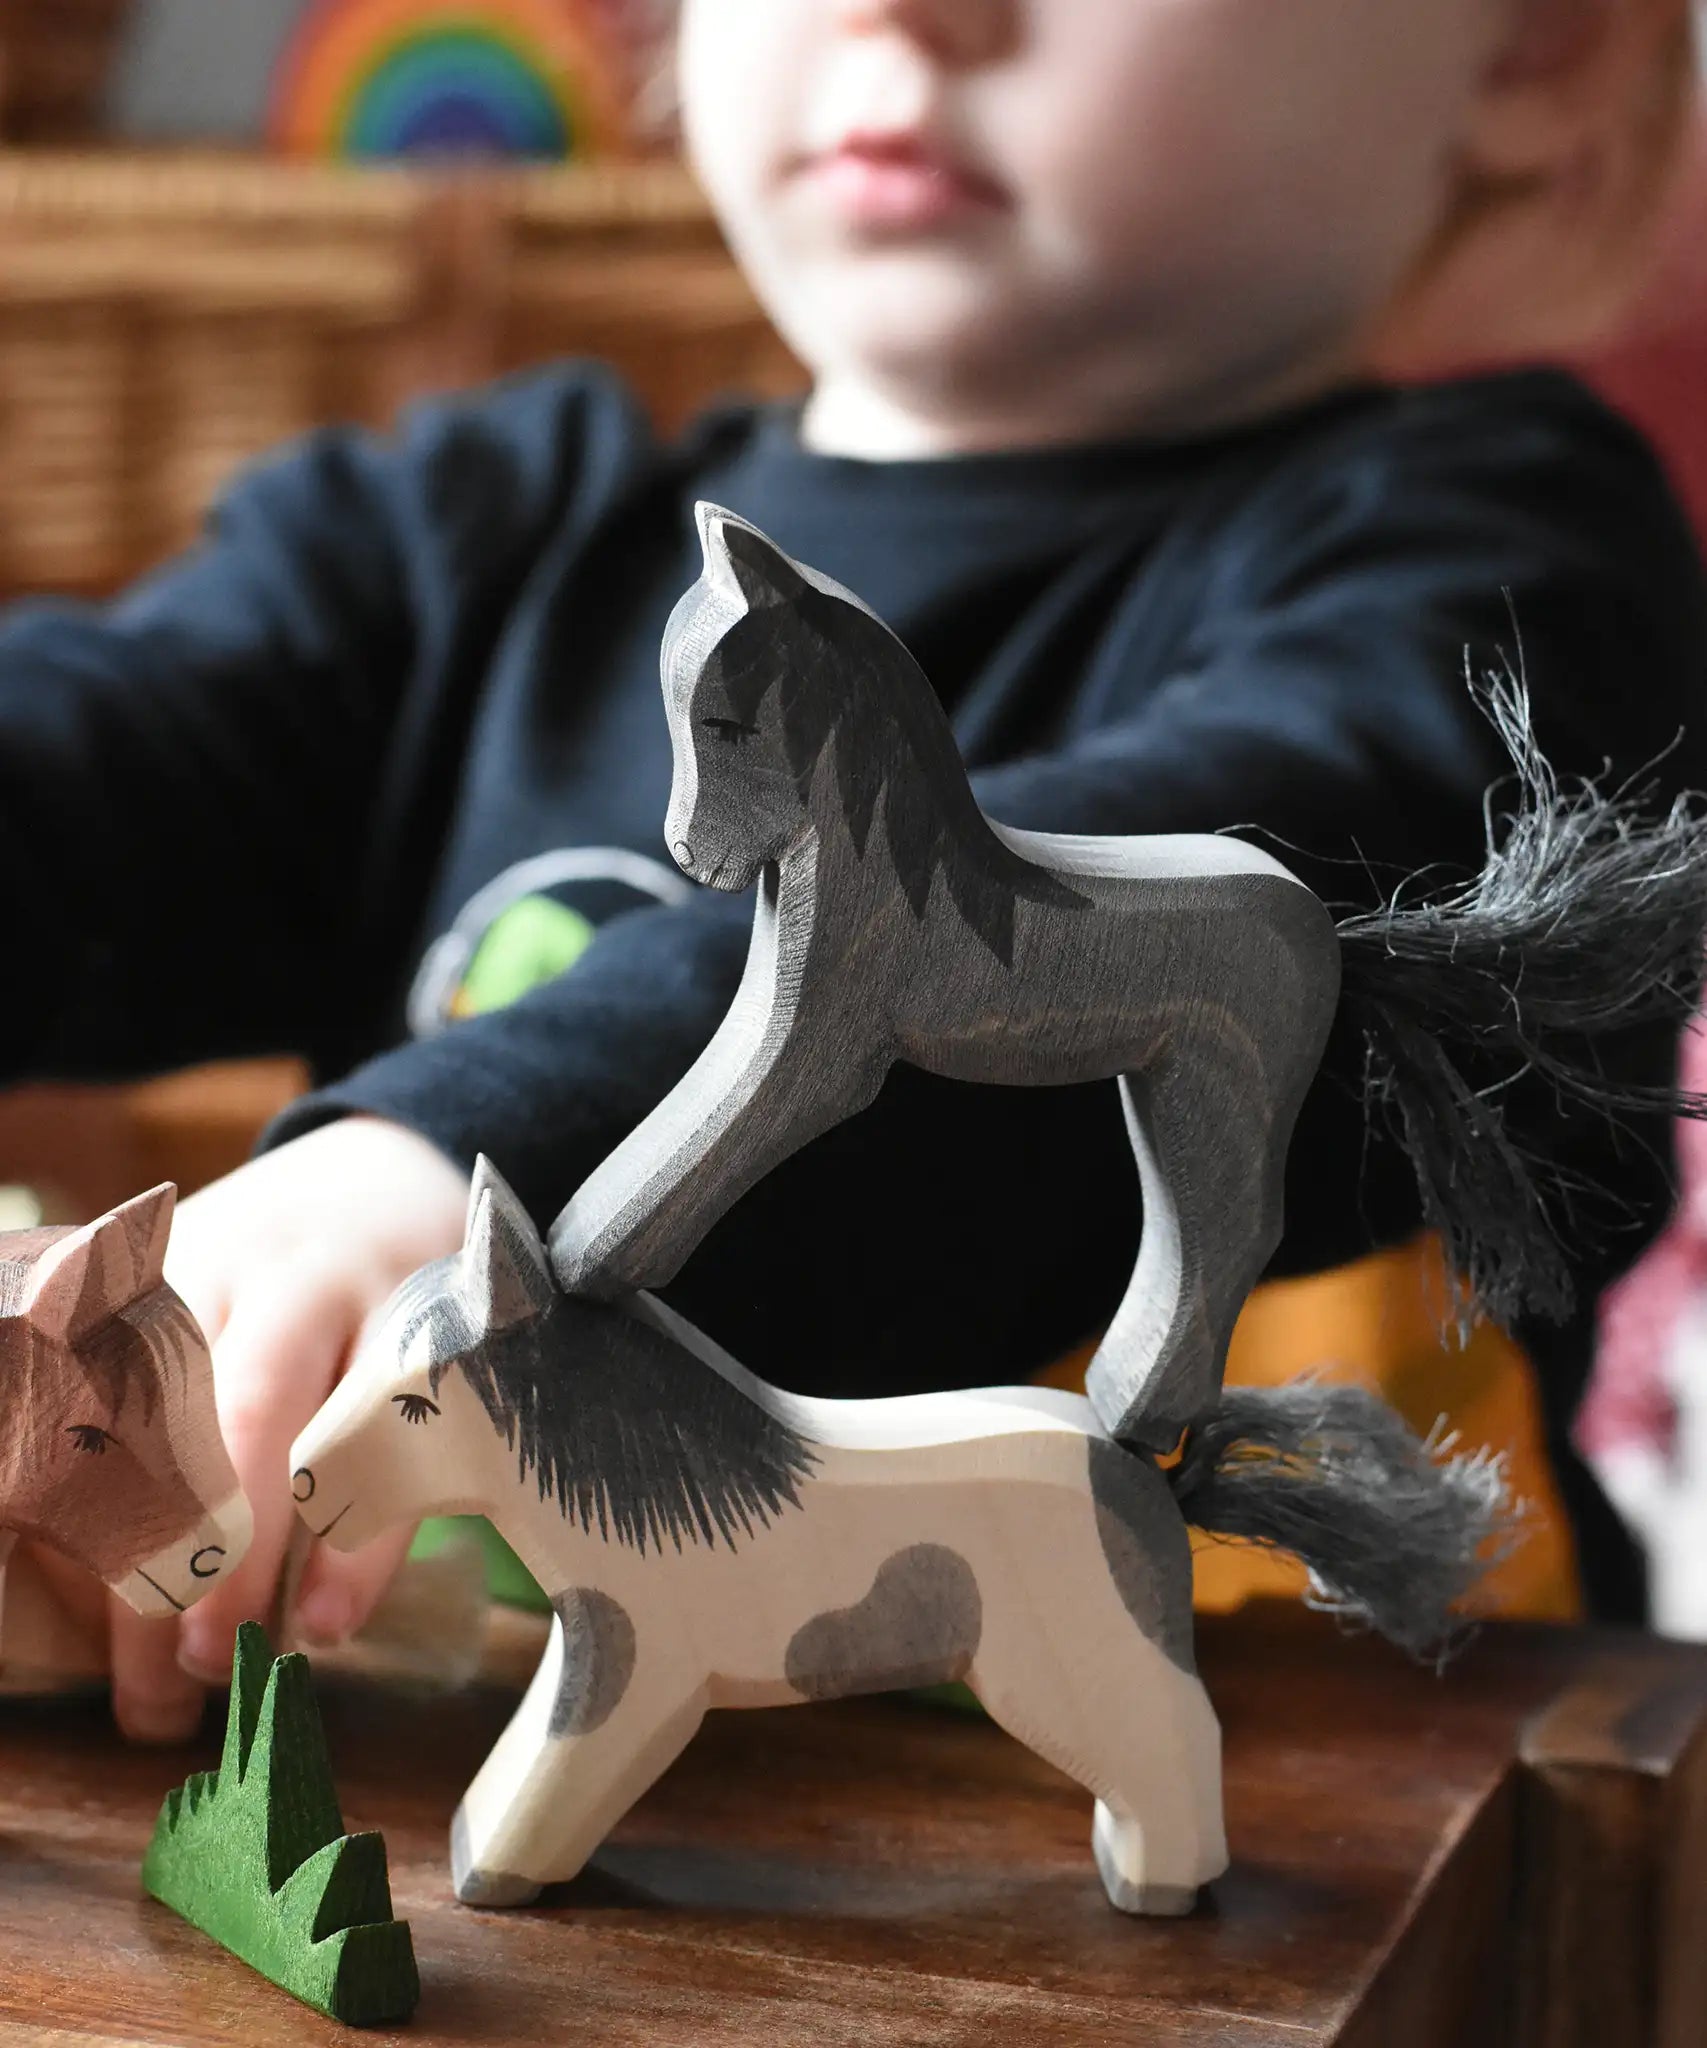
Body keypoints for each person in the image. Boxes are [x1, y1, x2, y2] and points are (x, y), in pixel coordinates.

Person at [1, 0, 1699, 1742]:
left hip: (1286, 1888)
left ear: (1537, 48)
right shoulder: (470, 543)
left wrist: (447, 1176)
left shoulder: (1518, 595)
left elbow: (1186, 857)